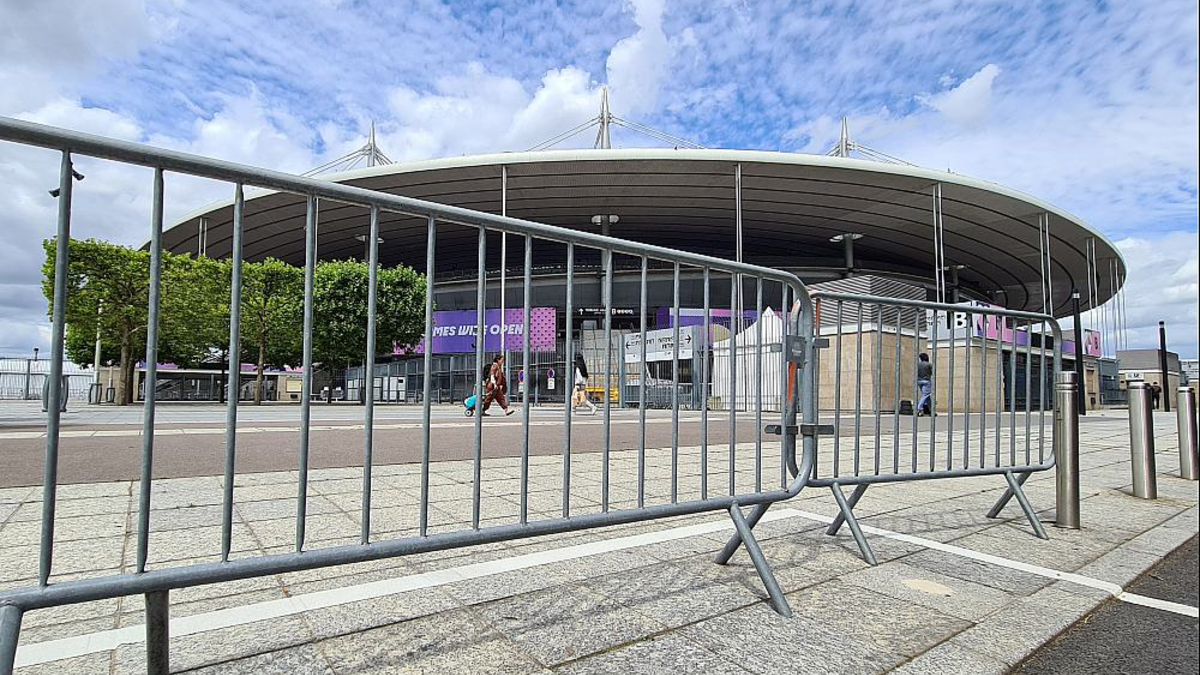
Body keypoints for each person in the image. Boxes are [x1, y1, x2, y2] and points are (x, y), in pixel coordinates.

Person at [916, 353, 933, 417]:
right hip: (926, 381)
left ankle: (931, 410)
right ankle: (919, 409)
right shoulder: (929, 364)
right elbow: (932, 372)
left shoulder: (918, 365)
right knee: (925, 395)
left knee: (927, 397)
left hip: (919, 381)